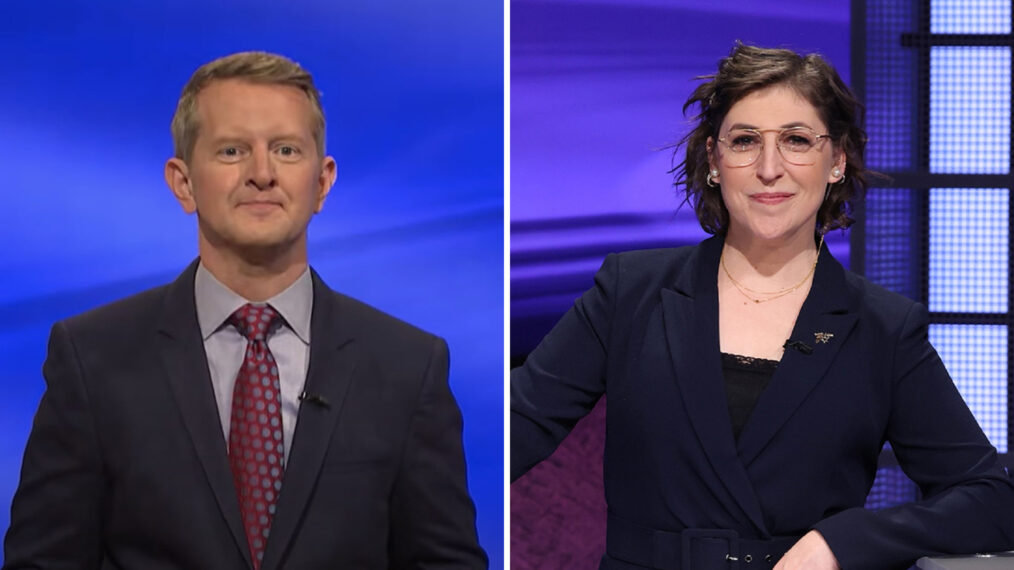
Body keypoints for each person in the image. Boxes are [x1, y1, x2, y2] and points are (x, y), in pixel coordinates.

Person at [511, 43, 1014, 569]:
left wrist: (845, 542)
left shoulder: (882, 328)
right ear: (714, 159)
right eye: (745, 141)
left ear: (837, 160)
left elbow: (990, 499)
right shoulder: (631, 292)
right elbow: (507, 433)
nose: (769, 168)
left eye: (797, 140)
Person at [4, 51, 487, 570]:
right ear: (183, 183)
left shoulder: (409, 366)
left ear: (322, 182)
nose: (262, 173)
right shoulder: (93, 358)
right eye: (232, 151)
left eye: (285, 150)